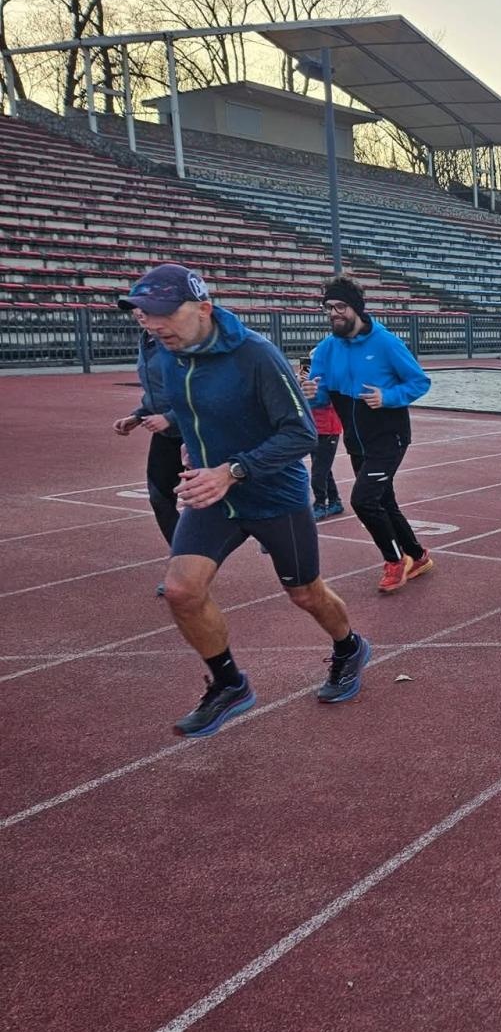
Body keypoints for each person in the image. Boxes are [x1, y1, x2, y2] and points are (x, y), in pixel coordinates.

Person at [116, 264, 371, 737]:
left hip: (272, 493)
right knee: (181, 591)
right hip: (212, 494)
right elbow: (186, 408)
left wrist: (232, 470)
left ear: (203, 309)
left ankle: (348, 646)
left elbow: (301, 434)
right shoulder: (167, 352)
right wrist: (181, 436)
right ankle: (229, 683)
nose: (152, 324)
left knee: (305, 593)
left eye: (162, 313)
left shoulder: (255, 355)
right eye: (145, 314)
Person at [300, 278, 435, 594]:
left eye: (340, 307)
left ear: (356, 308)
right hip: (356, 441)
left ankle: (394, 560)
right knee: (383, 499)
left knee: (363, 500)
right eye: (329, 308)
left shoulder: (386, 344)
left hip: (389, 437)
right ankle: (418, 556)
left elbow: (419, 382)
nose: (334, 313)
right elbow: (320, 397)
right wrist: (312, 394)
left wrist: (388, 397)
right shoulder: (326, 349)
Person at [113, 314, 184, 594]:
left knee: (226, 498)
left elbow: (202, 392)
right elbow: (156, 390)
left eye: (145, 310)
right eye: (135, 311)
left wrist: (170, 417)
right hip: (167, 434)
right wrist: (138, 414)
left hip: (197, 430)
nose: (140, 315)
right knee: (160, 497)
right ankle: (184, 567)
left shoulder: (182, 341)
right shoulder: (147, 340)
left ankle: (275, 533)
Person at [299, 354, 345, 521]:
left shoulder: (331, 380)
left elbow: (322, 401)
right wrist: (301, 384)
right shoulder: (311, 380)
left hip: (328, 429)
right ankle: (334, 501)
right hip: (314, 428)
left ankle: (320, 504)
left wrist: (311, 389)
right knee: (323, 468)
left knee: (319, 471)